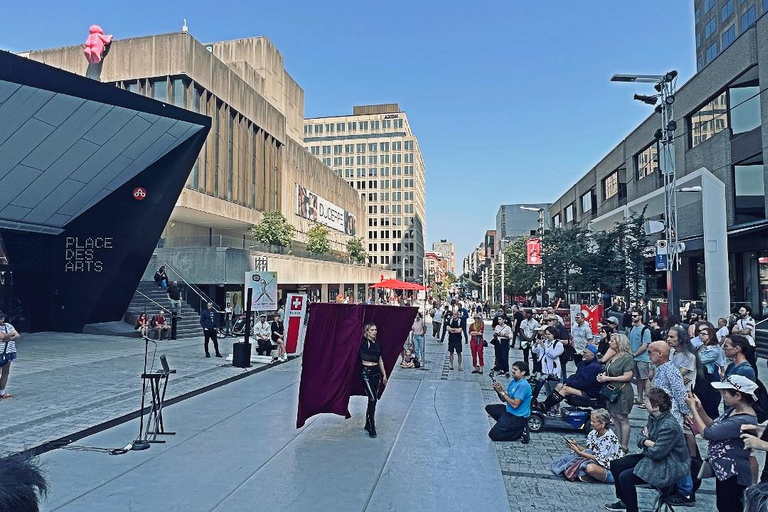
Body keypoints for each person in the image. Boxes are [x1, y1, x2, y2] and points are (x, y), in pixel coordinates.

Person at [605, 387, 690, 512]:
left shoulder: (669, 426)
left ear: (656, 406)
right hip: (653, 456)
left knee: (626, 477)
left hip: (668, 465)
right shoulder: (653, 417)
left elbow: (657, 452)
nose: (644, 402)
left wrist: (646, 441)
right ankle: (624, 501)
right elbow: (641, 436)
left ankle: (632, 509)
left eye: (647, 400)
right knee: (616, 464)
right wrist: (647, 441)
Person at [688, 375, 758, 511]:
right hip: (725, 471)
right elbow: (714, 426)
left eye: (725, 392)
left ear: (738, 395)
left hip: (734, 473)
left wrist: (693, 409)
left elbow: (707, 434)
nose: (722, 395)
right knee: (723, 505)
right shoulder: (733, 411)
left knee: (729, 507)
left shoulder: (743, 420)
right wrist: (700, 409)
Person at [648, 339, 696, 505]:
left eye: (650, 352)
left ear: (660, 354)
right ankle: (668, 485)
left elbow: (680, 393)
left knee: (676, 456)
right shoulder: (660, 369)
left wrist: (686, 413)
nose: (649, 356)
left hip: (672, 419)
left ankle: (686, 491)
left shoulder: (671, 370)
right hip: (661, 418)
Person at [552, 408, 624, 483]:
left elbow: (597, 458)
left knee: (589, 468)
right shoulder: (593, 432)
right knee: (572, 458)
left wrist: (579, 452)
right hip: (595, 461)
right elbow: (590, 449)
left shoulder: (609, 438)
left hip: (609, 468)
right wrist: (576, 445)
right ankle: (585, 475)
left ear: (602, 424)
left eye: (594, 421)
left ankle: (591, 475)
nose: (591, 423)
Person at [534, 345, 602, 414]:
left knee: (565, 389)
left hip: (589, 392)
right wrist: (567, 382)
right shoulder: (583, 363)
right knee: (559, 385)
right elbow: (576, 376)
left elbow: (584, 384)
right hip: (583, 388)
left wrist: (569, 384)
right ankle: (545, 405)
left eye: (585, 353)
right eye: (583, 352)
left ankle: (546, 406)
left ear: (592, 355)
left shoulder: (594, 367)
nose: (582, 354)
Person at [597, 332, 635, 453]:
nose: (609, 342)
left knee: (622, 418)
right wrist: (603, 376)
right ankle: (617, 442)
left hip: (622, 391)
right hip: (612, 390)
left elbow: (627, 376)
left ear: (619, 343)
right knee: (615, 416)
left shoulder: (627, 357)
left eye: (612, 341)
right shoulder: (614, 356)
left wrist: (608, 379)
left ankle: (624, 445)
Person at [486, 361, 532, 443]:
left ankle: (519, 432)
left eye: (515, 369)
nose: (512, 371)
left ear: (523, 372)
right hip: (508, 411)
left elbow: (515, 405)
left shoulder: (523, 385)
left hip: (517, 417)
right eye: (512, 369)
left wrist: (502, 392)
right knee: (489, 408)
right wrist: (499, 391)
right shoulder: (513, 382)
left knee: (493, 435)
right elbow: (504, 399)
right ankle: (505, 425)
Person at [359, 322, 388, 438]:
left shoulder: (377, 343)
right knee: (372, 397)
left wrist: (384, 375)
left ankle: (368, 422)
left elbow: (380, 359)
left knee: (373, 399)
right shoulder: (363, 343)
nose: (374, 332)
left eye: (375, 329)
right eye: (372, 330)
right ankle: (372, 425)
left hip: (376, 373)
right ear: (367, 331)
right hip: (366, 373)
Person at [697, 322, 724, 418]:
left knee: (710, 405)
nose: (700, 336)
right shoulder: (701, 347)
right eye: (700, 333)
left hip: (709, 378)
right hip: (701, 378)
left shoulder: (713, 350)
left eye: (704, 334)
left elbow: (699, 360)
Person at [627, 308, 651, 407]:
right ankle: (640, 398)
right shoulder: (632, 328)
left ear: (640, 316)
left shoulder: (645, 330)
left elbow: (645, 345)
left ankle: (647, 400)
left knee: (645, 379)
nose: (633, 317)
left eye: (635, 316)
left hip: (642, 358)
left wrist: (635, 354)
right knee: (638, 379)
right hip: (634, 358)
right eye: (632, 316)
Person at [532, 325, 565, 400]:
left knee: (554, 390)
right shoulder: (544, 342)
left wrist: (544, 347)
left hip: (554, 370)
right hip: (544, 369)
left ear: (554, 334)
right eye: (546, 334)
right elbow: (535, 351)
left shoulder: (558, 344)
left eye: (549, 334)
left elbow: (553, 355)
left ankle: (556, 407)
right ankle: (548, 406)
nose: (547, 336)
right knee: (547, 389)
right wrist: (536, 344)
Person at [666, 325, 697, 392]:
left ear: (680, 339)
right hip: (670, 390)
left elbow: (677, 375)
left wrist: (678, 377)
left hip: (684, 391)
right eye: (668, 336)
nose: (668, 339)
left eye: (671, 337)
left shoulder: (689, 357)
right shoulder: (670, 352)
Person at [732, 305, 757, 377]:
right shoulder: (739, 321)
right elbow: (733, 330)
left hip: (750, 343)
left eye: (742, 310)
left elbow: (746, 332)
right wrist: (741, 331)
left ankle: (754, 377)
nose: (740, 312)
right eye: (740, 311)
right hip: (741, 343)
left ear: (748, 312)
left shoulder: (751, 320)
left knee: (751, 361)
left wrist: (738, 331)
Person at [0, 312, 20, 400]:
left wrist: (10, 338)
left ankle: (2, 392)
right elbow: (3, 336)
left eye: (2, 317)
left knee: (5, 372)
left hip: (9, 352)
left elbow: (18, 335)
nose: (1, 319)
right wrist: (11, 335)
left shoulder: (8, 325)